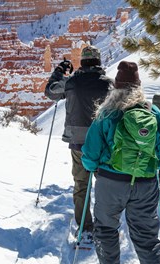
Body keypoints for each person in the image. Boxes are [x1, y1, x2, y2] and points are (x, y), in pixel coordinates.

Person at [81, 60, 160, 264]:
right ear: (138, 87)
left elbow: (89, 155)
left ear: (116, 88)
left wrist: (95, 167)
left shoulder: (106, 113)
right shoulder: (153, 112)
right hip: (145, 185)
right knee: (147, 240)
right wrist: (148, 168)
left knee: (106, 228)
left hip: (111, 182)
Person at [44, 45, 113, 240]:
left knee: (81, 185)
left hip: (78, 143)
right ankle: (105, 225)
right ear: (98, 62)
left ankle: (85, 226)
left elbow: (50, 92)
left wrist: (59, 71)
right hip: (103, 144)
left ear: (81, 62)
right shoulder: (109, 84)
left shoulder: (71, 83)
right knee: (104, 185)